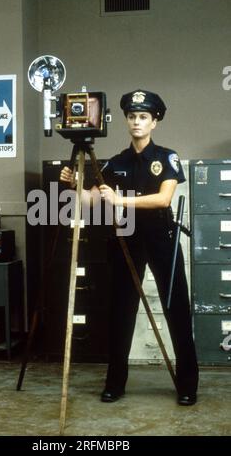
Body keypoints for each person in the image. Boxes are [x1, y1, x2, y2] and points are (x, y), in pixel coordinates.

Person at [60, 89, 199, 406]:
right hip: (127, 237)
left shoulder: (166, 157)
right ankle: (115, 383)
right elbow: (92, 200)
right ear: (126, 120)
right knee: (121, 311)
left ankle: (187, 385)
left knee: (176, 310)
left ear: (155, 122)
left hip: (162, 237)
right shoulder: (116, 162)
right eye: (132, 116)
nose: (137, 122)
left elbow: (163, 199)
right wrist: (74, 183)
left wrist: (121, 199)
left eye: (143, 117)